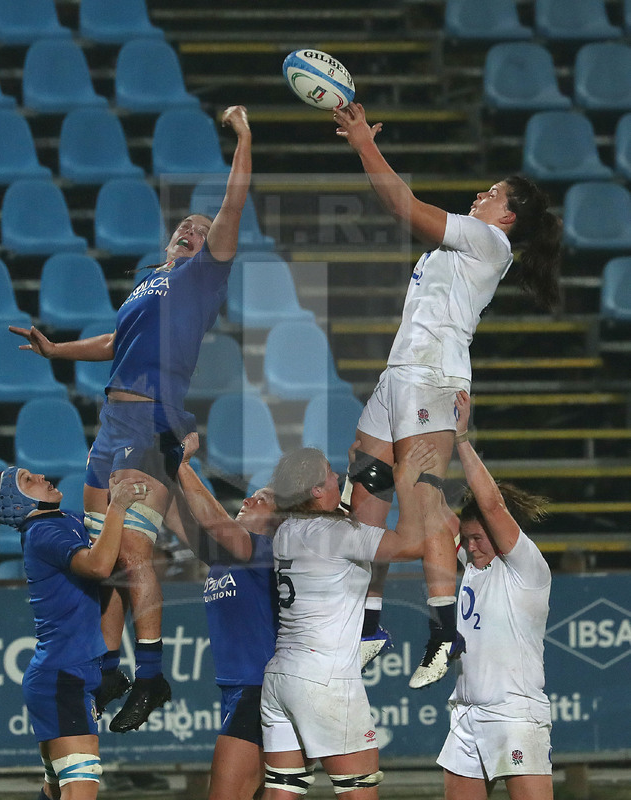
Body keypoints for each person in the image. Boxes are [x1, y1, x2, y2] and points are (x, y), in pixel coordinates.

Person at [8, 105, 253, 732]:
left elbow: (231, 208)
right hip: (109, 427)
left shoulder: (201, 280)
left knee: (135, 552)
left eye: (203, 231)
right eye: (185, 227)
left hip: (150, 427)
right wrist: (59, 350)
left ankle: (151, 675)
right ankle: (109, 666)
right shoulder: (148, 285)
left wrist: (243, 140)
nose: (193, 230)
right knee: (107, 553)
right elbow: (117, 343)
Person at [332, 101, 562, 689]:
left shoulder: (489, 242)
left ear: (507, 217)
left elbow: (404, 206)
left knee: (424, 503)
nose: (481, 196)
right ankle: (369, 626)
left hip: (432, 375)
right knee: (363, 496)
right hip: (399, 372)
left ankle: (442, 631)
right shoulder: (461, 247)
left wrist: (363, 142)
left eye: (491, 193)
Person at [260, 442, 437, 800]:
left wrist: (359, 471)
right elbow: (412, 543)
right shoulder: (334, 535)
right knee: (358, 790)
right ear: (315, 491)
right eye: (330, 474)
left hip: (281, 677)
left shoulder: (286, 532)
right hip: (326, 679)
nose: (336, 476)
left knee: (283, 789)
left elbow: (335, 513)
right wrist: (405, 482)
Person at [0, 466, 149, 800]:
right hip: (63, 679)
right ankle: (108, 669)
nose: (40, 477)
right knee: (80, 787)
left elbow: (110, 563)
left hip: (64, 676)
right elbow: (98, 565)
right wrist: (118, 506)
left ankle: (108, 670)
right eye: (28, 481)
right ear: (16, 504)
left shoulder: (58, 521)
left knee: (56, 791)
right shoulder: (43, 530)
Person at [438, 390, 553, 800]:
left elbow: (492, 503)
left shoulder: (527, 568)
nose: (471, 546)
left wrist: (461, 440)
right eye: (466, 539)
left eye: (478, 538)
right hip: (466, 713)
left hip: (514, 713)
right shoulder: (473, 568)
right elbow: (433, 509)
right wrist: (415, 462)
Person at [162, 432, 280, 800]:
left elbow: (215, 523)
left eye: (261, 499)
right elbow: (174, 515)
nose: (248, 499)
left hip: (260, 691)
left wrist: (182, 464)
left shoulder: (266, 552)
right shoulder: (226, 556)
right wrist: (150, 464)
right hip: (237, 689)